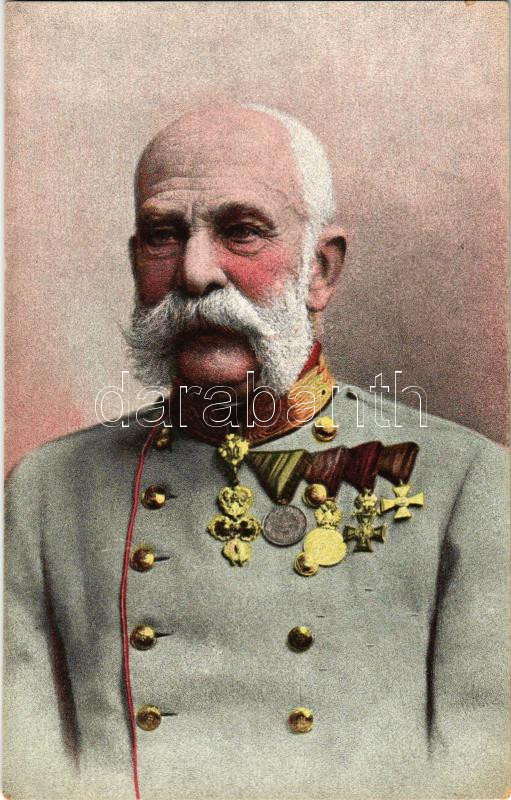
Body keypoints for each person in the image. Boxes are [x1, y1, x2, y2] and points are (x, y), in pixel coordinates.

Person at [3, 104, 509, 800]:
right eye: (162, 235)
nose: (195, 273)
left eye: (241, 231)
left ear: (320, 270)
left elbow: (479, 775)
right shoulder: (44, 492)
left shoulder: (469, 485)